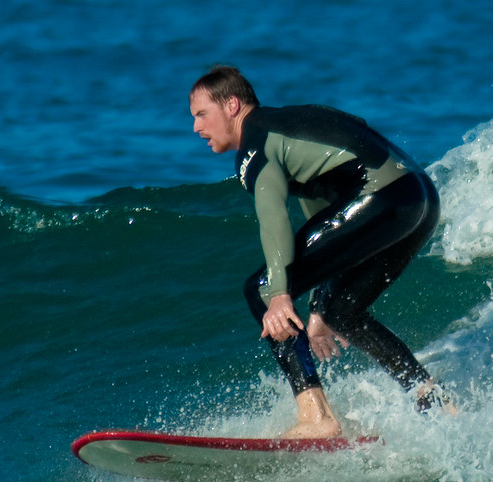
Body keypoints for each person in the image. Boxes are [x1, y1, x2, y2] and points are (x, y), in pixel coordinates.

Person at [189, 65, 450, 438]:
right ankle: (430, 397)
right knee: (341, 309)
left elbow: (274, 219)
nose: (196, 128)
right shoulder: (288, 124)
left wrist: (278, 294)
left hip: (379, 194)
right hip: (418, 197)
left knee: (259, 288)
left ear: (232, 105)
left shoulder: (255, 143)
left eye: (201, 114)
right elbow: (327, 219)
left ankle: (316, 418)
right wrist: (317, 309)